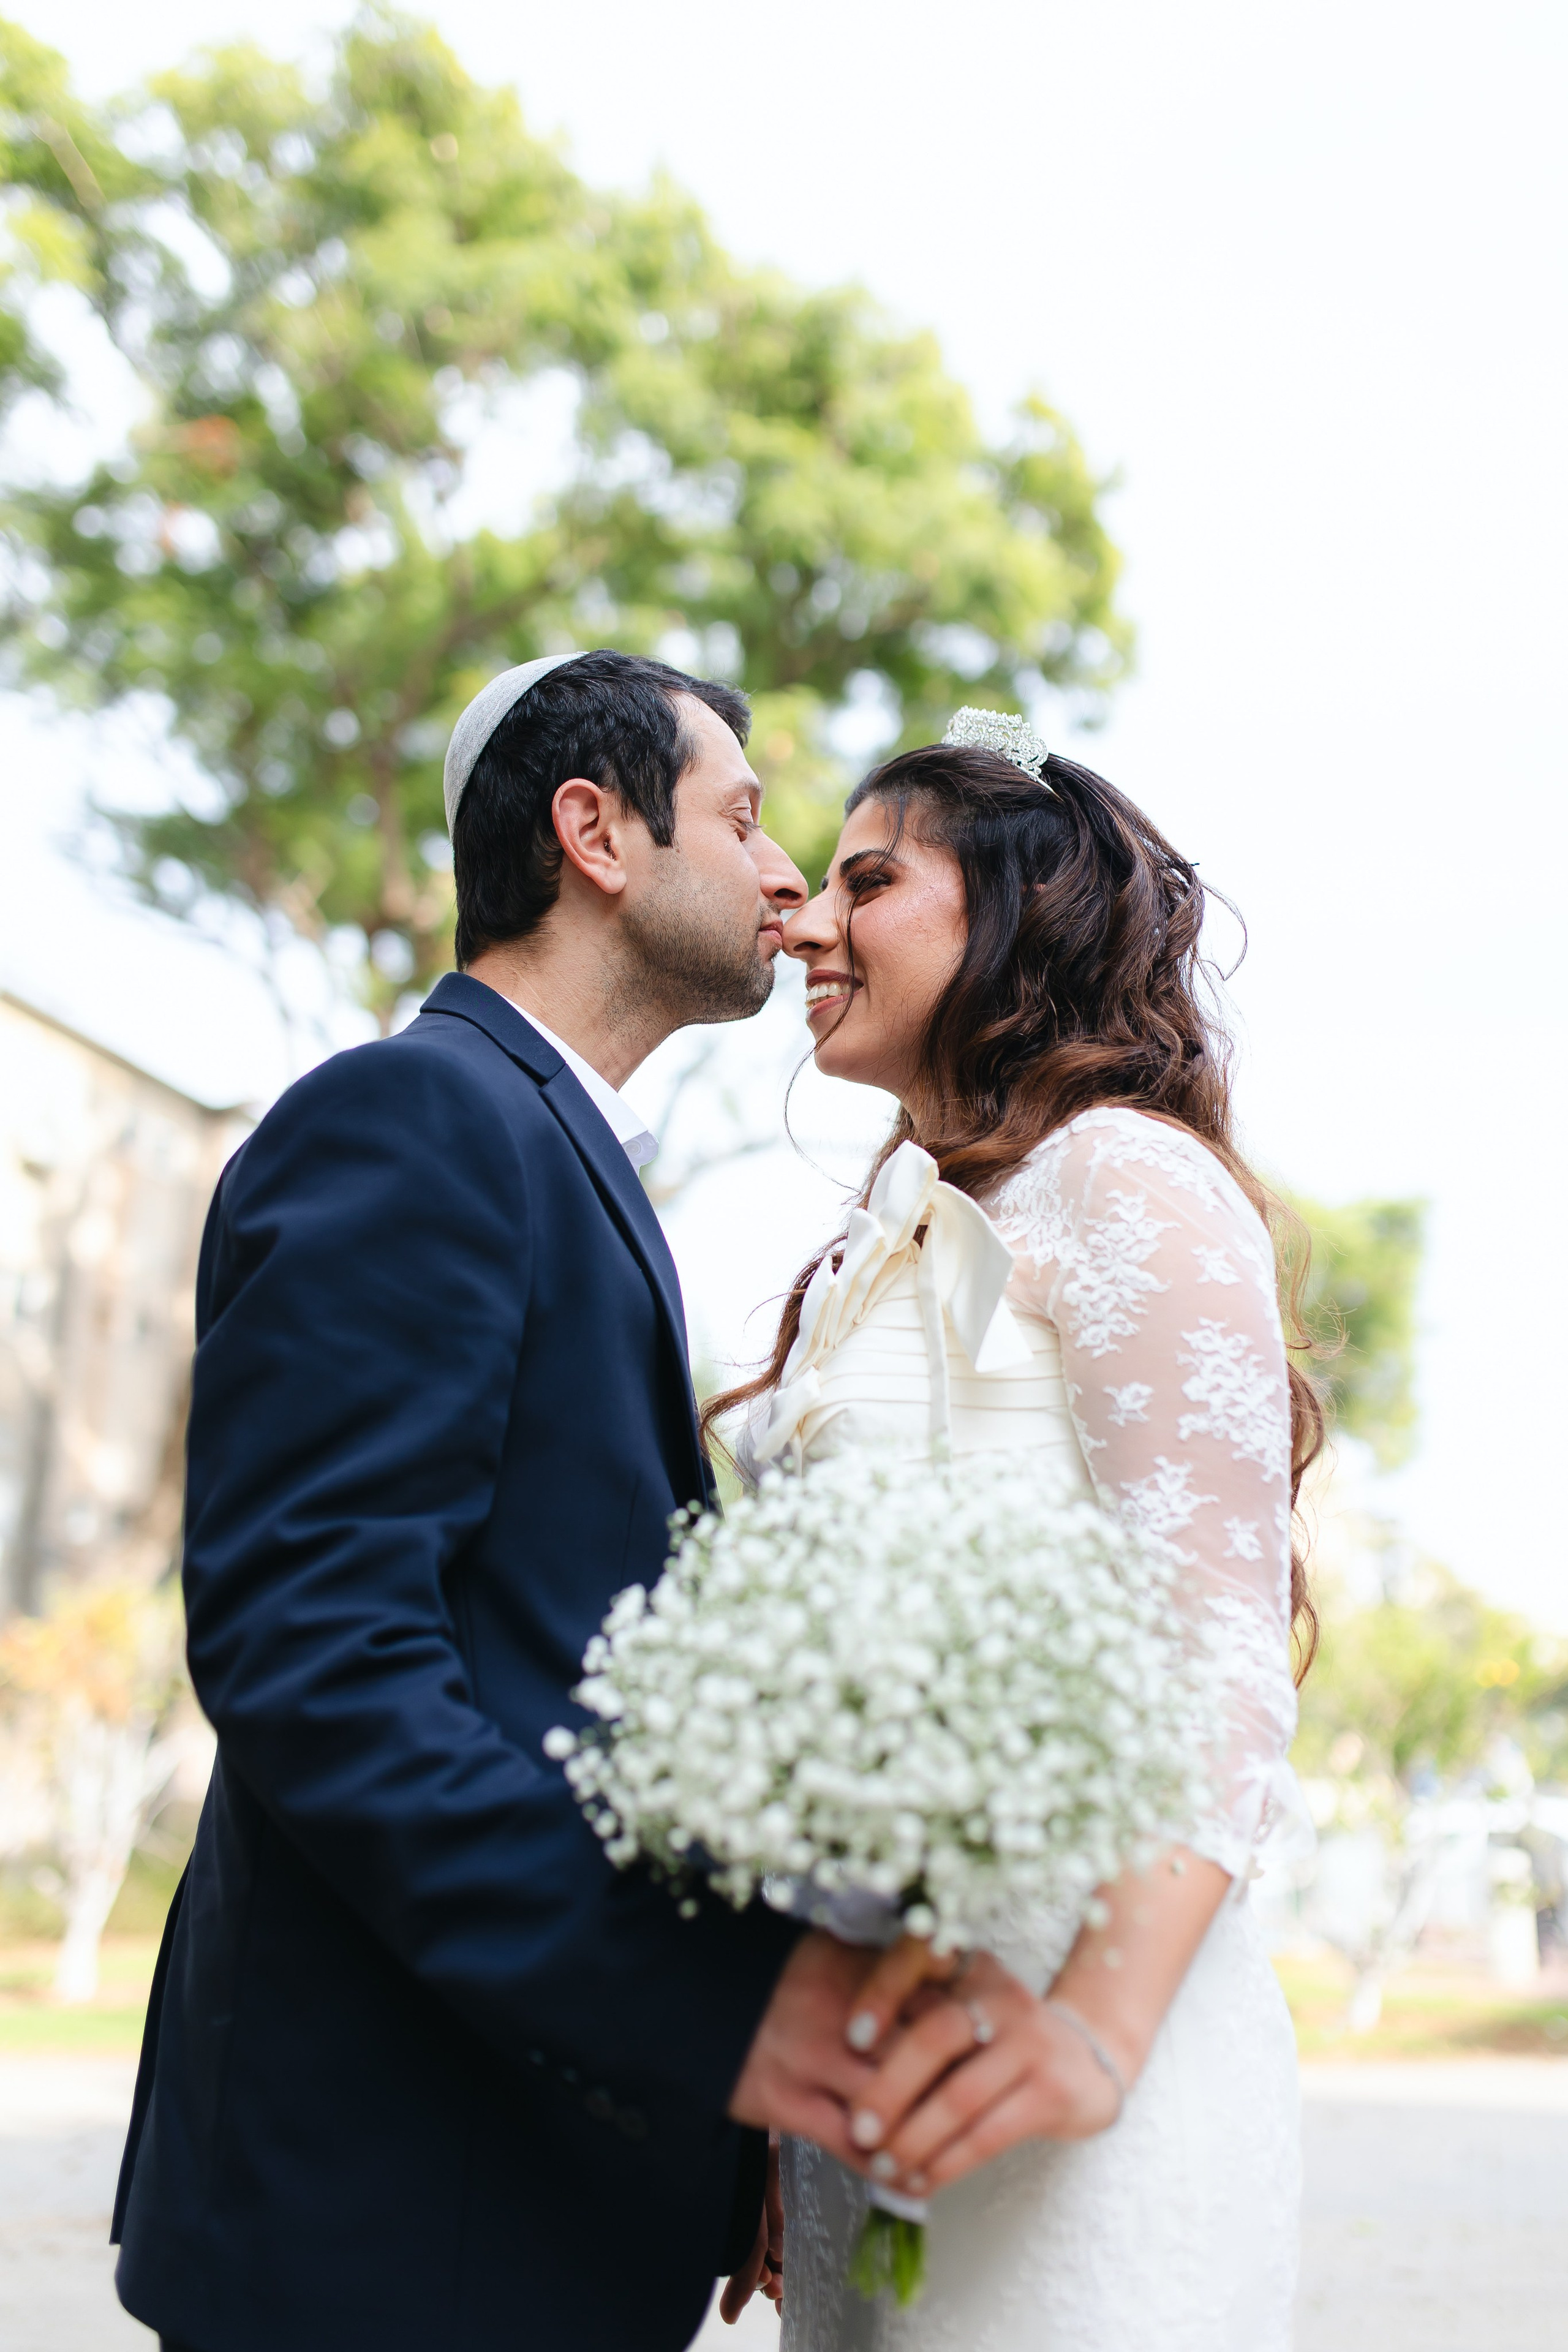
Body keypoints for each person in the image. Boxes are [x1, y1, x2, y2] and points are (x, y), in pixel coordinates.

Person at [110, 650, 969, 2352]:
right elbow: (319, 1663)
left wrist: (710, 2150)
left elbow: (557, 1666)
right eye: (743, 815)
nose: (788, 875)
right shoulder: (415, 1118)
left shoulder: (550, 1149)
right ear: (596, 832)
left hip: (507, 2205)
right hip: (383, 2222)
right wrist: (709, 2022)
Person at [709, 713, 1320, 2350]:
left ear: (1016, 911)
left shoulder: (1130, 1182)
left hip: (1083, 2073)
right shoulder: (892, 1236)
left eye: (870, 880)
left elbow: (1215, 1644)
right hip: (881, 2078)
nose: (810, 924)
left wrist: (1096, 2034)